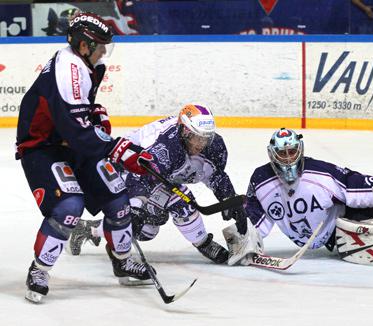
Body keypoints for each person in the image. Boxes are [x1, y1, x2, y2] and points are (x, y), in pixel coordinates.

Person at [16, 12, 155, 303]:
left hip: (73, 142)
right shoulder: (67, 70)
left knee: (118, 198)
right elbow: (77, 132)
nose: (104, 51)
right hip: (42, 147)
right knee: (69, 206)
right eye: (100, 45)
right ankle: (40, 269)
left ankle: (122, 260)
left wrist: (94, 115)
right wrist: (117, 148)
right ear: (83, 46)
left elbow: (78, 119)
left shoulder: (88, 64)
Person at [223, 128, 373, 271]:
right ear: (272, 154)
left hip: (340, 227)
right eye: (282, 153)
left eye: (292, 152)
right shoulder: (261, 180)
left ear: (300, 150)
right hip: (330, 245)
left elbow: (352, 184)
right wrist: (244, 239)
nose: (288, 159)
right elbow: (256, 218)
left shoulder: (320, 173)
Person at [68, 104, 247, 264]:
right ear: (184, 131)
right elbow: (141, 175)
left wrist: (228, 198)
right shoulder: (166, 148)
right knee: (179, 203)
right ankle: (204, 243)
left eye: (205, 138)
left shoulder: (215, 146)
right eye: (196, 137)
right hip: (125, 170)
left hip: (157, 174)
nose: (201, 143)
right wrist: (137, 207)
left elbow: (215, 174)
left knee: (147, 231)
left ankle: (88, 229)